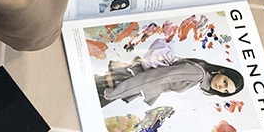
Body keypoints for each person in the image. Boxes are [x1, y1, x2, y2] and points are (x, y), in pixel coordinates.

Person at [95, 47, 244, 108]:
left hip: (125, 82)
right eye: (225, 82)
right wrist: (118, 92)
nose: (221, 88)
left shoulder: (199, 74)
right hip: (121, 82)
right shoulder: (198, 74)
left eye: (225, 91)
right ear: (221, 71)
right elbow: (156, 78)